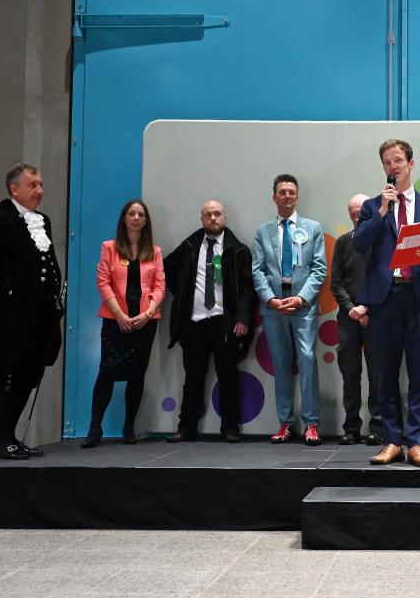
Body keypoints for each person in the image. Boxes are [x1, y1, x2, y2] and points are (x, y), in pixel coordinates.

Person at [354, 139, 420, 467]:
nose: (393, 167)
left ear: (411, 163)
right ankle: (392, 440)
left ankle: (417, 443)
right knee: (386, 373)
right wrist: (382, 209)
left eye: (398, 160)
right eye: (387, 162)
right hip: (386, 299)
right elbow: (360, 244)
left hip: (419, 297)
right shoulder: (372, 206)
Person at [0, 163, 64, 460]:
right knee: (6, 375)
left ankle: (10, 436)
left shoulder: (42, 221)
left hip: (41, 316)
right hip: (13, 317)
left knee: (29, 374)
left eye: (40, 184)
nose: (39, 190)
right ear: (15, 189)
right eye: (32, 185)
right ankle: (0, 439)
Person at [163, 200, 257, 444]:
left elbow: (248, 289)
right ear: (201, 218)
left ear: (225, 217)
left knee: (228, 377)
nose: (212, 218)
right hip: (194, 323)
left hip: (224, 322)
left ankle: (230, 428)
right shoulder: (189, 247)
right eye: (207, 215)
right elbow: (166, 270)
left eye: (217, 214)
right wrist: (183, 295)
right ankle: (186, 428)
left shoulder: (238, 250)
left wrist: (243, 318)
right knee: (192, 378)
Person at [81, 199, 165, 448]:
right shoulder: (109, 247)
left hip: (145, 322)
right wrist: (119, 314)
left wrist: (148, 313)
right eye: (132, 214)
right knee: (106, 372)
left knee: (136, 375)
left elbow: (160, 286)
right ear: (124, 219)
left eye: (141, 214)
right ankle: (94, 428)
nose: (136, 218)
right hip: (115, 320)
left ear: (146, 221)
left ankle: (129, 428)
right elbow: (103, 281)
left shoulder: (155, 251)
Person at [252, 174, 327, 445]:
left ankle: (311, 424)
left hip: (303, 307)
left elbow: (319, 269)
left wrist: (301, 298)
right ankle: (285, 423)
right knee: (281, 364)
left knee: (307, 360)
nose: (287, 196)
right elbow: (258, 271)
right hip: (273, 308)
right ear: (274, 197)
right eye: (282, 192)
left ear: (297, 197)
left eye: (291, 192)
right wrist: (271, 300)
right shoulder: (262, 231)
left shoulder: (313, 228)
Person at [331, 193, 383, 446]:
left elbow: (386, 278)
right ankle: (351, 428)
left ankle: (378, 428)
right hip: (348, 318)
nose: (356, 215)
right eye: (352, 212)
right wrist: (352, 309)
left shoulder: (383, 241)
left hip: (377, 317)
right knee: (350, 375)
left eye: (360, 211)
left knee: (378, 375)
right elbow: (336, 283)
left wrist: (369, 308)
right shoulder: (342, 243)